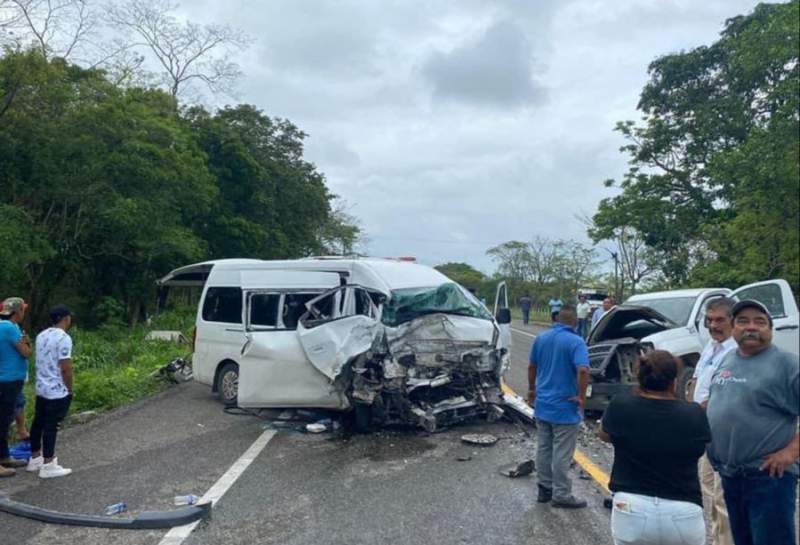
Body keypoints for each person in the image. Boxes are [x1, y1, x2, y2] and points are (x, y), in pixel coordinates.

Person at [706, 299, 799, 545]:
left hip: (768, 478)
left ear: (770, 329)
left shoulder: (788, 365)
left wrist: (791, 451)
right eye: (743, 321)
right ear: (733, 328)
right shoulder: (728, 360)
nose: (751, 327)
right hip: (731, 475)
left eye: (759, 322)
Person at [599, 350, 710, 545]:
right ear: (674, 381)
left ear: (639, 378)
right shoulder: (693, 413)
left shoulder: (621, 405)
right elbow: (701, 446)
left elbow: (605, 435)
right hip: (683, 509)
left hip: (632, 506)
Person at [527, 305, 590, 508]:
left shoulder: (542, 338)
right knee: (562, 453)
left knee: (544, 448)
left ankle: (544, 489)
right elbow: (582, 370)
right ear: (575, 322)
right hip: (564, 406)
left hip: (543, 404)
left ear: (557, 319)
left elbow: (531, 366)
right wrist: (581, 396)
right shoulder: (576, 341)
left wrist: (531, 390)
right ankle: (562, 494)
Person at [692, 298, 737, 545]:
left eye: (719, 319)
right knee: (709, 491)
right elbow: (696, 382)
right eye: (710, 319)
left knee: (723, 498)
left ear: (733, 320)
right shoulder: (711, 346)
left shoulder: (736, 352)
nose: (713, 325)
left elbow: (723, 395)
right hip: (705, 432)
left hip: (725, 434)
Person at [26, 305, 75, 478]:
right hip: (56, 389)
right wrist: (70, 389)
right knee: (51, 426)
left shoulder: (41, 335)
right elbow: (66, 368)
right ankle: (48, 464)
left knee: (38, 422)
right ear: (65, 318)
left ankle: (35, 458)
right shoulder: (64, 338)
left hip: (41, 387)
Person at [0, 297, 32, 478]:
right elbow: (26, 352)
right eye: (23, 310)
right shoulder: (10, 328)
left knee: (4, 420)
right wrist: (27, 341)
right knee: (2, 421)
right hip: (8, 380)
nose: (24, 313)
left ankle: (4, 457)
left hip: (6, 379)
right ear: (17, 311)